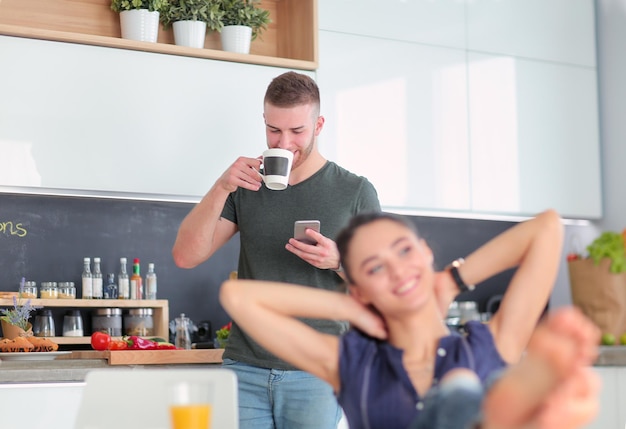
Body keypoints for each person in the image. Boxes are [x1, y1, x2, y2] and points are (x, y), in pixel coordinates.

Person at [219, 209, 600, 428]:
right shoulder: (352, 362)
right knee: (464, 387)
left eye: (404, 251)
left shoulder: (489, 344)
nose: (399, 271)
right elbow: (237, 297)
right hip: (486, 404)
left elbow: (548, 227)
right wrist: (349, 308)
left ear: (426, 252)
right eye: (375, 268)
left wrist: (451, 281)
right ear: (361, 290)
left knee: (465, 385)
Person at [172, 71, 381, 428]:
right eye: (274, 130)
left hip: (317, 370)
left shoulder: (355, 191)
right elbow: (186, 256)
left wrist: (339, 262)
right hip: (244, 368)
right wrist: (221, 186)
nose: (283, 142)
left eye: (297, 131)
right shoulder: (245, 185)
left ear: (319, 125)